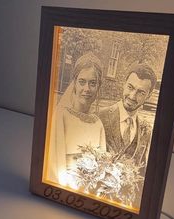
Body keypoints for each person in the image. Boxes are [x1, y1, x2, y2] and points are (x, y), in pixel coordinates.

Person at [99, 63, 157, 209]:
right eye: (130, 87)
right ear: (124, 84)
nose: (132, 96)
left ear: (148, 96)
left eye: (140, 92)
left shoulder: (146, 131)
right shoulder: (100, 117)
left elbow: (141, 171)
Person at [47, 52, 106, 185]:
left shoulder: (98, 124)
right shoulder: (61, 116)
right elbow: (54, 165)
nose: (87, 89)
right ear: (74, 83)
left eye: (92, 83)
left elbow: (102, 166)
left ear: (98, 87)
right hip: (66, 186)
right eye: (82, 82)